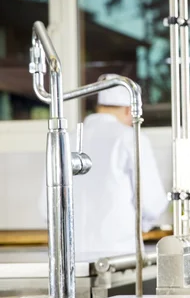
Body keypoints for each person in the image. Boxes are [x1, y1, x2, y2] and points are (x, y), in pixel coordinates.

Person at [39, 84, 168, 256]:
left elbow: (46, 205)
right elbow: (152, 203)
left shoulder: (66, 140)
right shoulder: (131, 138)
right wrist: (140, 225)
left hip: (70, 256)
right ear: (129, 110)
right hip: (118, 256)